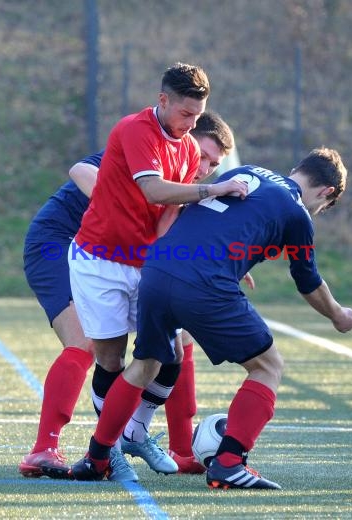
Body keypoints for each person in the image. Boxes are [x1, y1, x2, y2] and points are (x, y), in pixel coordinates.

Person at [69, 147, 352, 490]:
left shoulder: (248, 171)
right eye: (324, 207)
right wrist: (337, 314)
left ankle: (97, 457)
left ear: (298, 168)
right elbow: (307, 281)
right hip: (205, 284)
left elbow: (211, 222)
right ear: (326, 192)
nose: (318, 211)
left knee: (145, 362)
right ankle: (229, 463)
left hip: (158, 270)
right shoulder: (297, 213)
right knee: (268, 366)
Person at [52, 62, 247, 479]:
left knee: (169, 354)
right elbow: (152, 189)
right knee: (110, 359)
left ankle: (133, 433)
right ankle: (112, 447)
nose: (191, 123)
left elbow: (169, 215)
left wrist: (219, 261)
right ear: (163, 101)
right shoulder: (135, 129)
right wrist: (213, 188)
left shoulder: (190, 148)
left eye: (198, 115)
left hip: (145, 266)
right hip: (99, 260)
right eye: (186, 114)